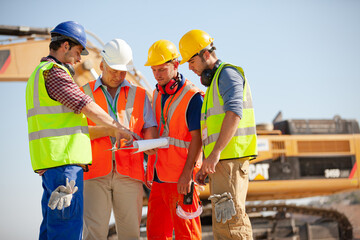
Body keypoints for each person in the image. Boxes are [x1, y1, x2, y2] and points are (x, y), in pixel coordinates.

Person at [25, 21, 132, 240]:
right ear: (65, 46)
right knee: (67, 231)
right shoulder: (55, 73)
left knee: (50, 230)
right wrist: (117, 127)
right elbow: (85, 104)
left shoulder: (38, 74)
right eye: (77, 51)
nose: (79, 58)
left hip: (51, 166)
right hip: (65, 169)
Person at [179, 29, 258, 239]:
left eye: (191, 60)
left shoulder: (227, 74)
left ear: (206, 54)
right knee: (224, 225)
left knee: (233, 223)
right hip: (222, 163)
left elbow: (234, 114)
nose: (190, 67)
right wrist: (208, 162)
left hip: (230, 160)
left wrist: (215, 154)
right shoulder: (215, 82)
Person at [80, 38, 158, 240]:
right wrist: (109, 131)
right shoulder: (84, 93)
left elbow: (150, 127)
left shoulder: (140, 95)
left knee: (131, 234)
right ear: (101, 65)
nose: (117, 76)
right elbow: (78, 132)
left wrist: (150, 143)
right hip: (94, 172)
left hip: (130, 172)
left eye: (122, 71)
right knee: (93, 233)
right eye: (113, 70)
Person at [144, 39, 203, 240]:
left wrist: (187, 174)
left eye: (162, 69)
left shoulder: (193, 96)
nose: (157, 75)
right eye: (154, 70)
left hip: (181, 179)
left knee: (188, 235)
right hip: (160, 177)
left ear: (176, 65)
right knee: (156, 234)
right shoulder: (157, 93)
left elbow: (198, 139)